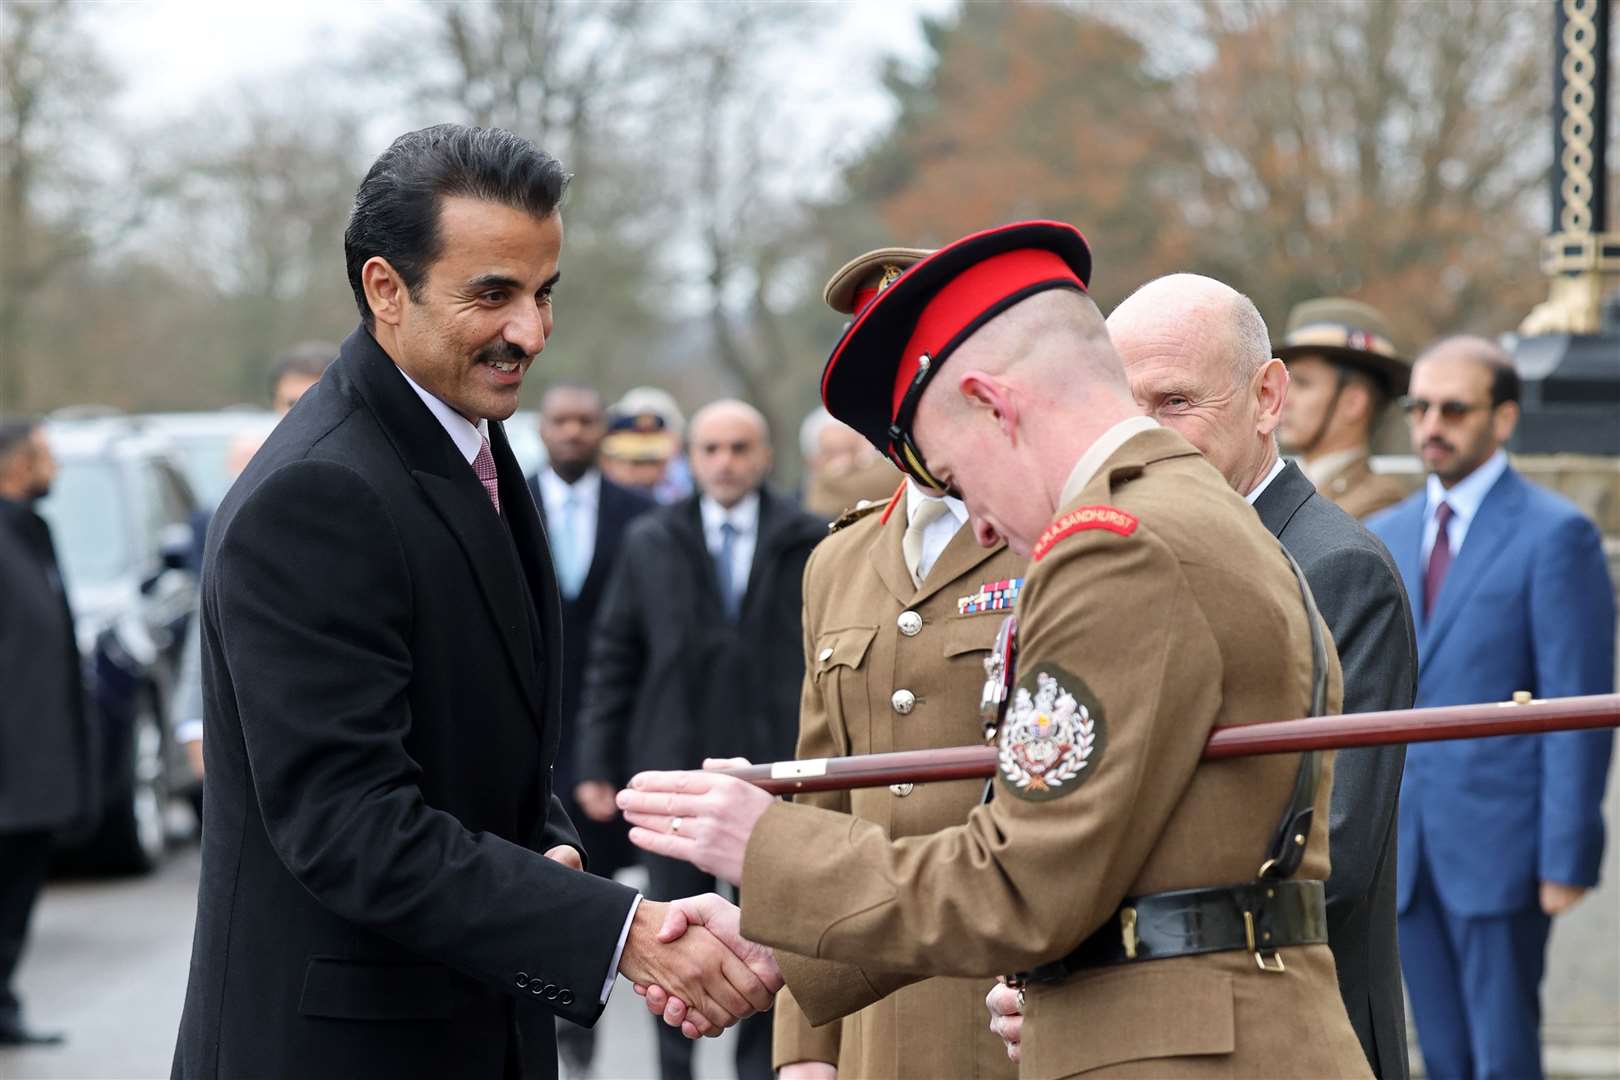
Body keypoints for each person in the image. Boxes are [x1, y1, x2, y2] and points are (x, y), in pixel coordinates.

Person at [620, 222, 1371, 1078]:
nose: (974, 520)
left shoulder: (1116, 547)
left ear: (994, 404)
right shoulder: (1187, 510)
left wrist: (761, 842)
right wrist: (781, 952)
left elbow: (1020, 886)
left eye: (955, 470)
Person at [170, 124, 778, 1080]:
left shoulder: (468, 442)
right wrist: (619, 930)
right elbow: (349, 823)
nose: (529, 332)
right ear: (385, 289)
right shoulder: (317, 494)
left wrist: (550, 850)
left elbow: (480, 730)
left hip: (467, 1020)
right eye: (491, 294)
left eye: (543, 295)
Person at [988, 273, 1413, 1079]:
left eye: (1176, 403)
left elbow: (1330, 862)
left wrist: (1078, 959)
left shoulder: (1335, 568)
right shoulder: (1115, 558)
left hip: (1284, 1040)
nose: (1145, 436)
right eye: (1127, 406)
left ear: (1267, 396)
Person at [772, 250, 1022, 1080]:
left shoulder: (1051, 536)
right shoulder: (838, 560)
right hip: (868, 1010)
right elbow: (819, 802)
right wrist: (804, 1045)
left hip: (1013, 1002)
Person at [1367, 335, 1615, 1080]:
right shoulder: (1386, 535)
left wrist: (1567, 854)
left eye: (1453, 408)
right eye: (1419, 407)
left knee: (1503, 1058)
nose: (1429, 425)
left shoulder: (1556, 534)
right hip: (1405, 851)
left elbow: (1579, 705)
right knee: (1438, 1057)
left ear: (1503, 419)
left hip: (1503, 851)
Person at [574, 399, 823, 1080]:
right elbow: (614, 656)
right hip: (673, 771)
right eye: (711, 448)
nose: (726, 462)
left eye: (741, 448)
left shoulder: (810, 538)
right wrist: (595, 761)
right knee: (673, 931)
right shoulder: (653, 540)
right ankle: (674, 1070)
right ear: (691, 457)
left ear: (766, 456)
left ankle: (757, 1070)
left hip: (775, 776)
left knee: (771, 935)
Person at [526, 382, 656, 1078]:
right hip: (531, 724)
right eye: (560, 421)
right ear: (540, 429)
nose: (572, 432)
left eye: (584, 421)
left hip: (612, 730)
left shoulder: (640, 517)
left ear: (601, 430)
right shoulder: (503, 503)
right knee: (542, 878)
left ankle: (587, 1014)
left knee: (598, 880)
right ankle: (558, 1031)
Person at [178, 340, 339, 781]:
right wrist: (195, 723)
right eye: (290, 402)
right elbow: (211, 610)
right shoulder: (245, 496)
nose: (302, 414)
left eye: (316, 398)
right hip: (262, 740)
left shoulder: (384, 485)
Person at [0, 418, 86, 1047]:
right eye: (45, 456)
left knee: (19, 893)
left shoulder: (35, 533)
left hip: (36, 767)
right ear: (13, 466)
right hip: (9, 768)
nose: (55, 467)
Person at [1276, 299, 1411, 519]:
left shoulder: (1379, 506)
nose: (1284, 399)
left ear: (1353, 403)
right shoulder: (1282, 488)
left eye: (1302, 383)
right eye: (1285, 382)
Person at [797, 406, 900, 518]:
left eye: (851, 450)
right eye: (832, 453)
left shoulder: (888, 473)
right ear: (814, 460)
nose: (843, 461)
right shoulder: (803, 502)